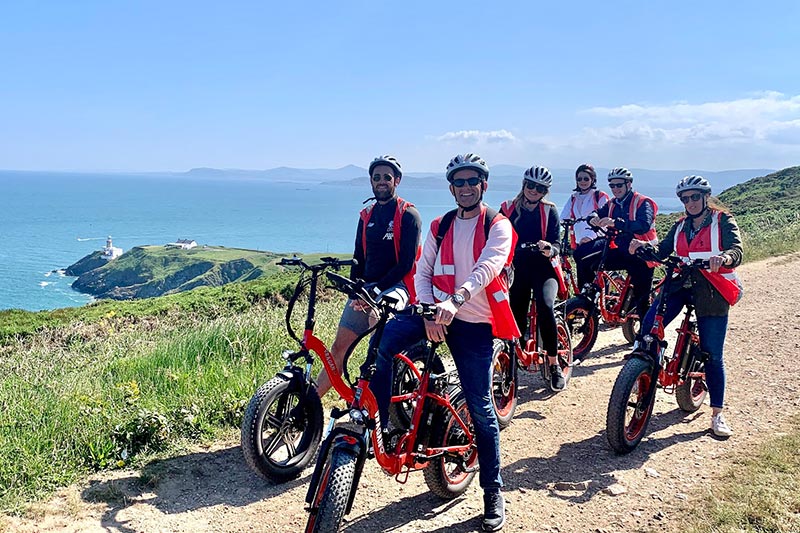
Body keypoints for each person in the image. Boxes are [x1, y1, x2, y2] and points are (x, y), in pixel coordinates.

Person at [370, 153, 518, 531]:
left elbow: (487, 268)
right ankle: (384, 421)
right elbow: (422, 270)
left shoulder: (498, 226)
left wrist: (452, 303)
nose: (466, 188)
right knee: (385, 344)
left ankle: (492, 490)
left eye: (473, 182)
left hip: (472, 322)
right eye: (459, 182)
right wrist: (427, 308)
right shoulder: (440, 225)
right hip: (435, 314)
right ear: (451, 188)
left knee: (481, 406)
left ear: (483, 185)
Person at [629, 175, 743, 437]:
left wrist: (724, 257)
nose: (690, 202)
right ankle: (646, 369)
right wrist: (643, 247)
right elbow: (662, 250)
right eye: (685, 198)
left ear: (705, 197)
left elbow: (737, 249)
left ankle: (717, 414)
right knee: (649, 327)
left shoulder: (722, 220)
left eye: (694, 197)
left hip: (712, 290)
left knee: (712, 353)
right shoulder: (680, 225)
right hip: (681, 284)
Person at [315, 155, 422, 397]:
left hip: (398, 286)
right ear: (371, 181)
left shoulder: (408, 215)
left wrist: (375, 290)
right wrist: (356, 289)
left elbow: (406, 263)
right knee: (338, 350)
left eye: (387, 177)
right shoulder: (366, 216)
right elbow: (358, 259)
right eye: (377, 177)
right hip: (369, 289)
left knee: (376, 320)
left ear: (397, 180)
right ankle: (309, 405)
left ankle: (378, 394)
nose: (381, 181)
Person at [500, 165, 566, 390]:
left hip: (544, 269)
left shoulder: (549, 211)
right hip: (516, 270)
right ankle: (513, 359)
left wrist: (550, 249)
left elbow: (558, 244)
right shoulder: (507, 209)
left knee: (546, 306)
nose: (534, 190)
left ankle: (554, 363)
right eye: (530, 185)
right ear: (523, 184)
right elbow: (494, 236)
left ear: (545, 191)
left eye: (540, 188)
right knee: (514, 313)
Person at [582, 167, 658, 322]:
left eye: (619, 185)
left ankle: (647, 340)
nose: (615, 189)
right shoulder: (612, 204)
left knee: (642, 300)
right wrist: (593, 218)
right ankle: (589, 302)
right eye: (612, 186)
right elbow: (595, 212)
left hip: (643, 255)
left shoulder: (643, 202)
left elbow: (643, 224)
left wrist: (616, 223)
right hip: (622, 250)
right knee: (590, 262)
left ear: (629, 184)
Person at [561, 164, 610, 287]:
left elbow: (605, 221)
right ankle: (583, 298)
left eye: (586, 178)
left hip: (598, 238)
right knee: (581, 268)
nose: (582, 182)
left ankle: (597, 295)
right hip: (579, 240)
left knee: (589, 268)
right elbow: (563, 217)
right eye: (579, 179)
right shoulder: (574, 198)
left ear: (592, 179)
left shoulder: (599, 196)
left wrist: (590, 236)